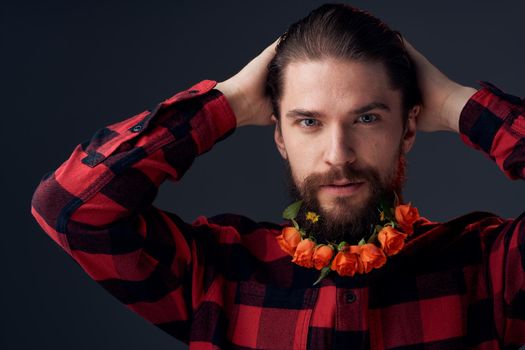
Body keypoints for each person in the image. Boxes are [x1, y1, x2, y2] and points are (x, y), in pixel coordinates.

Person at [30, 3, 525, 349]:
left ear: (409, 127)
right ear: (280, 136)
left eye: (367, 118)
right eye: (309, 121)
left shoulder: (487, 268)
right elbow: (70, 209)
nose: (338, 154)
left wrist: (455, 104)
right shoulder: (214, 274)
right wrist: (228, 102)